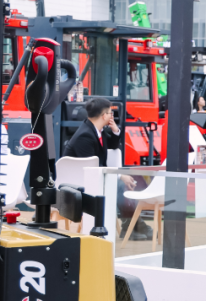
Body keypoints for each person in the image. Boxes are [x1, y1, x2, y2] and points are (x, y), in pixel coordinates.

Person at [63, 97, 147, 240]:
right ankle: (132, 226)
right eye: (110, 113)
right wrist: (120, 176)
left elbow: (113, 146)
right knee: (120, 184)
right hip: (78, 181)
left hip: (92, 177)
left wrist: (115, 131)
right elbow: (92, 167)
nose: (112, 116)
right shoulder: (85, 135)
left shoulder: (96, 130)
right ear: (104, 116)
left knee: (120, 184)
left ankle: (134, 225)